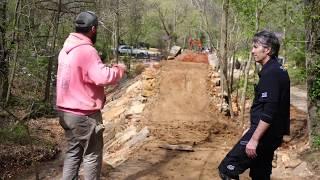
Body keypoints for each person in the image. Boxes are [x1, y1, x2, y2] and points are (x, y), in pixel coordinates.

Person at [56, 11, 126, 180]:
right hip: (84, 115)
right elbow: (102, 77)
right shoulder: (86, 51)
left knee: (73, 154)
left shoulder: (65, 49)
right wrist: (119, 70)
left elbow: (84, 75)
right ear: (93, 29)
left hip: (66, 113)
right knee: (92, 155)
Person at [218, 30, 290, 180]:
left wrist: (255, 138)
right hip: (271, 134)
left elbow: (269, 112)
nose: (252, 51)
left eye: (256, 47)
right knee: (260, 174)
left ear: (267, 49)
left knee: (227, 169)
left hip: (264, 136)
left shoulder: (271, 73)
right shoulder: (279, 70)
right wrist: (252, 129)